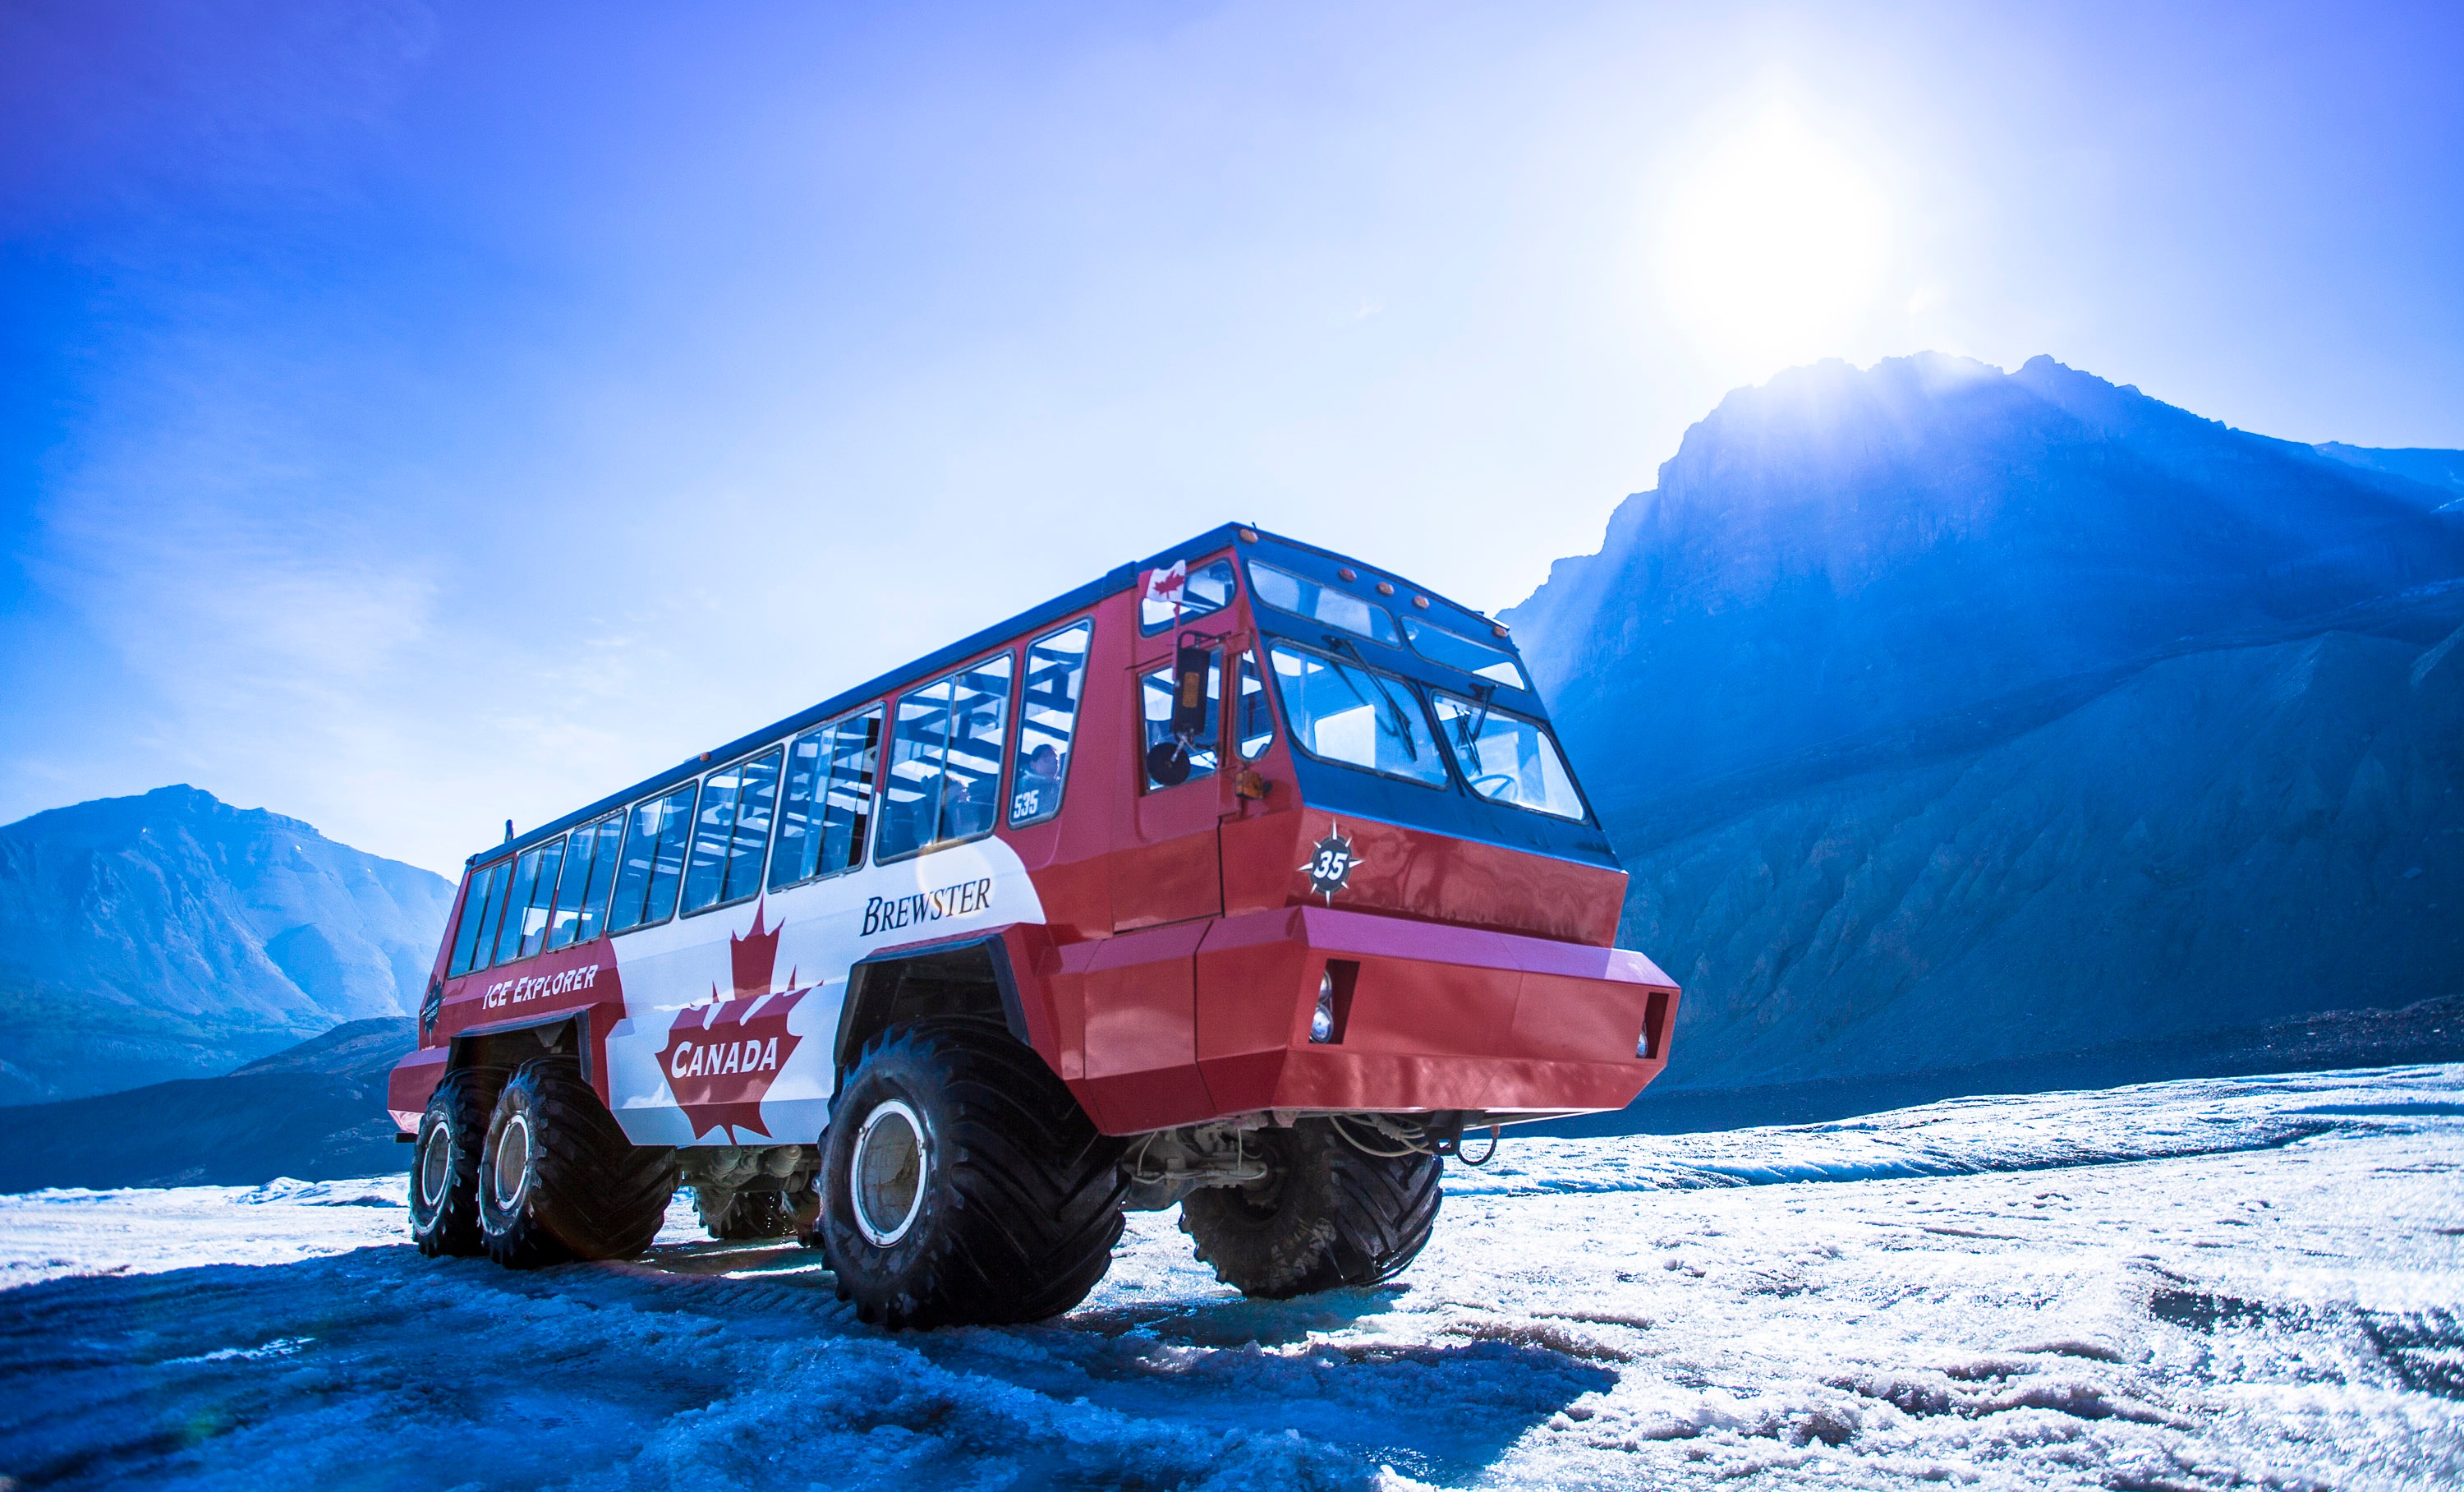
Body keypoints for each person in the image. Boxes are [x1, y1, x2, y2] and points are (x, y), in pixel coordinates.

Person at [1012, 743, 1064, 822]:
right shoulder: (1020, 786)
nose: (1052, 764)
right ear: (1033, 764)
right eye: (1047, 760)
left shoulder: (1062, 787)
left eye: (1055, 761)